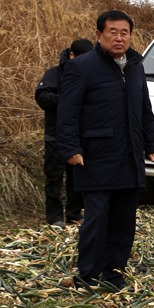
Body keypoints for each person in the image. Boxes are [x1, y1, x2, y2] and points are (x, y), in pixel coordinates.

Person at [56, 10, 154, 291]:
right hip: (96, 156)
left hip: (129, 156)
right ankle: (87, 277)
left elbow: (144, 108)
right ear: (99, 35)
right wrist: (71, 147)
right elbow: (67, 112)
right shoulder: (82, 67)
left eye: (124, 33)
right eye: (112, 32)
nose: (119, 38)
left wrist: (151, 143)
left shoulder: (135, 66)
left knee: (124, 222)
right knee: (96, 220)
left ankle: (114, 276)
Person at [35, 38, 94, 228]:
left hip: (80, 135)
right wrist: (66, 100)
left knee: (77, 176)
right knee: (54, 176)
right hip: (55, 134)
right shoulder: (54, 74)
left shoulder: (91, 75)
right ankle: (54, 217)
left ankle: (74, 213)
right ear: (71, 56)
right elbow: (41, 97)